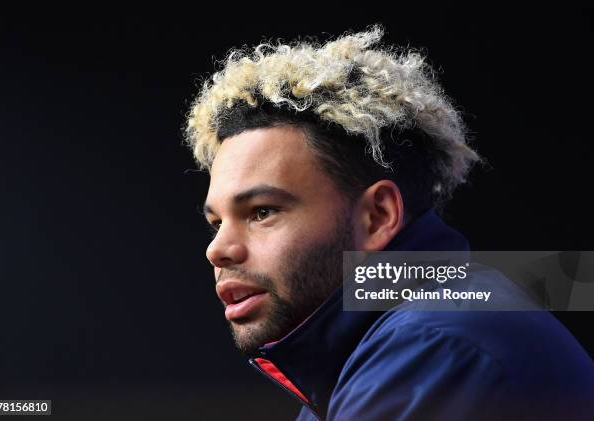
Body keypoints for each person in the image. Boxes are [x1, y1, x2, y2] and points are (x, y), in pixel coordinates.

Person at [182, 25, 594, 420]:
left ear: (378, 217)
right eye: (216, 221)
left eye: (261, 212)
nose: (217, 249)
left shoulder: (434, 347)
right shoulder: (382, 346)